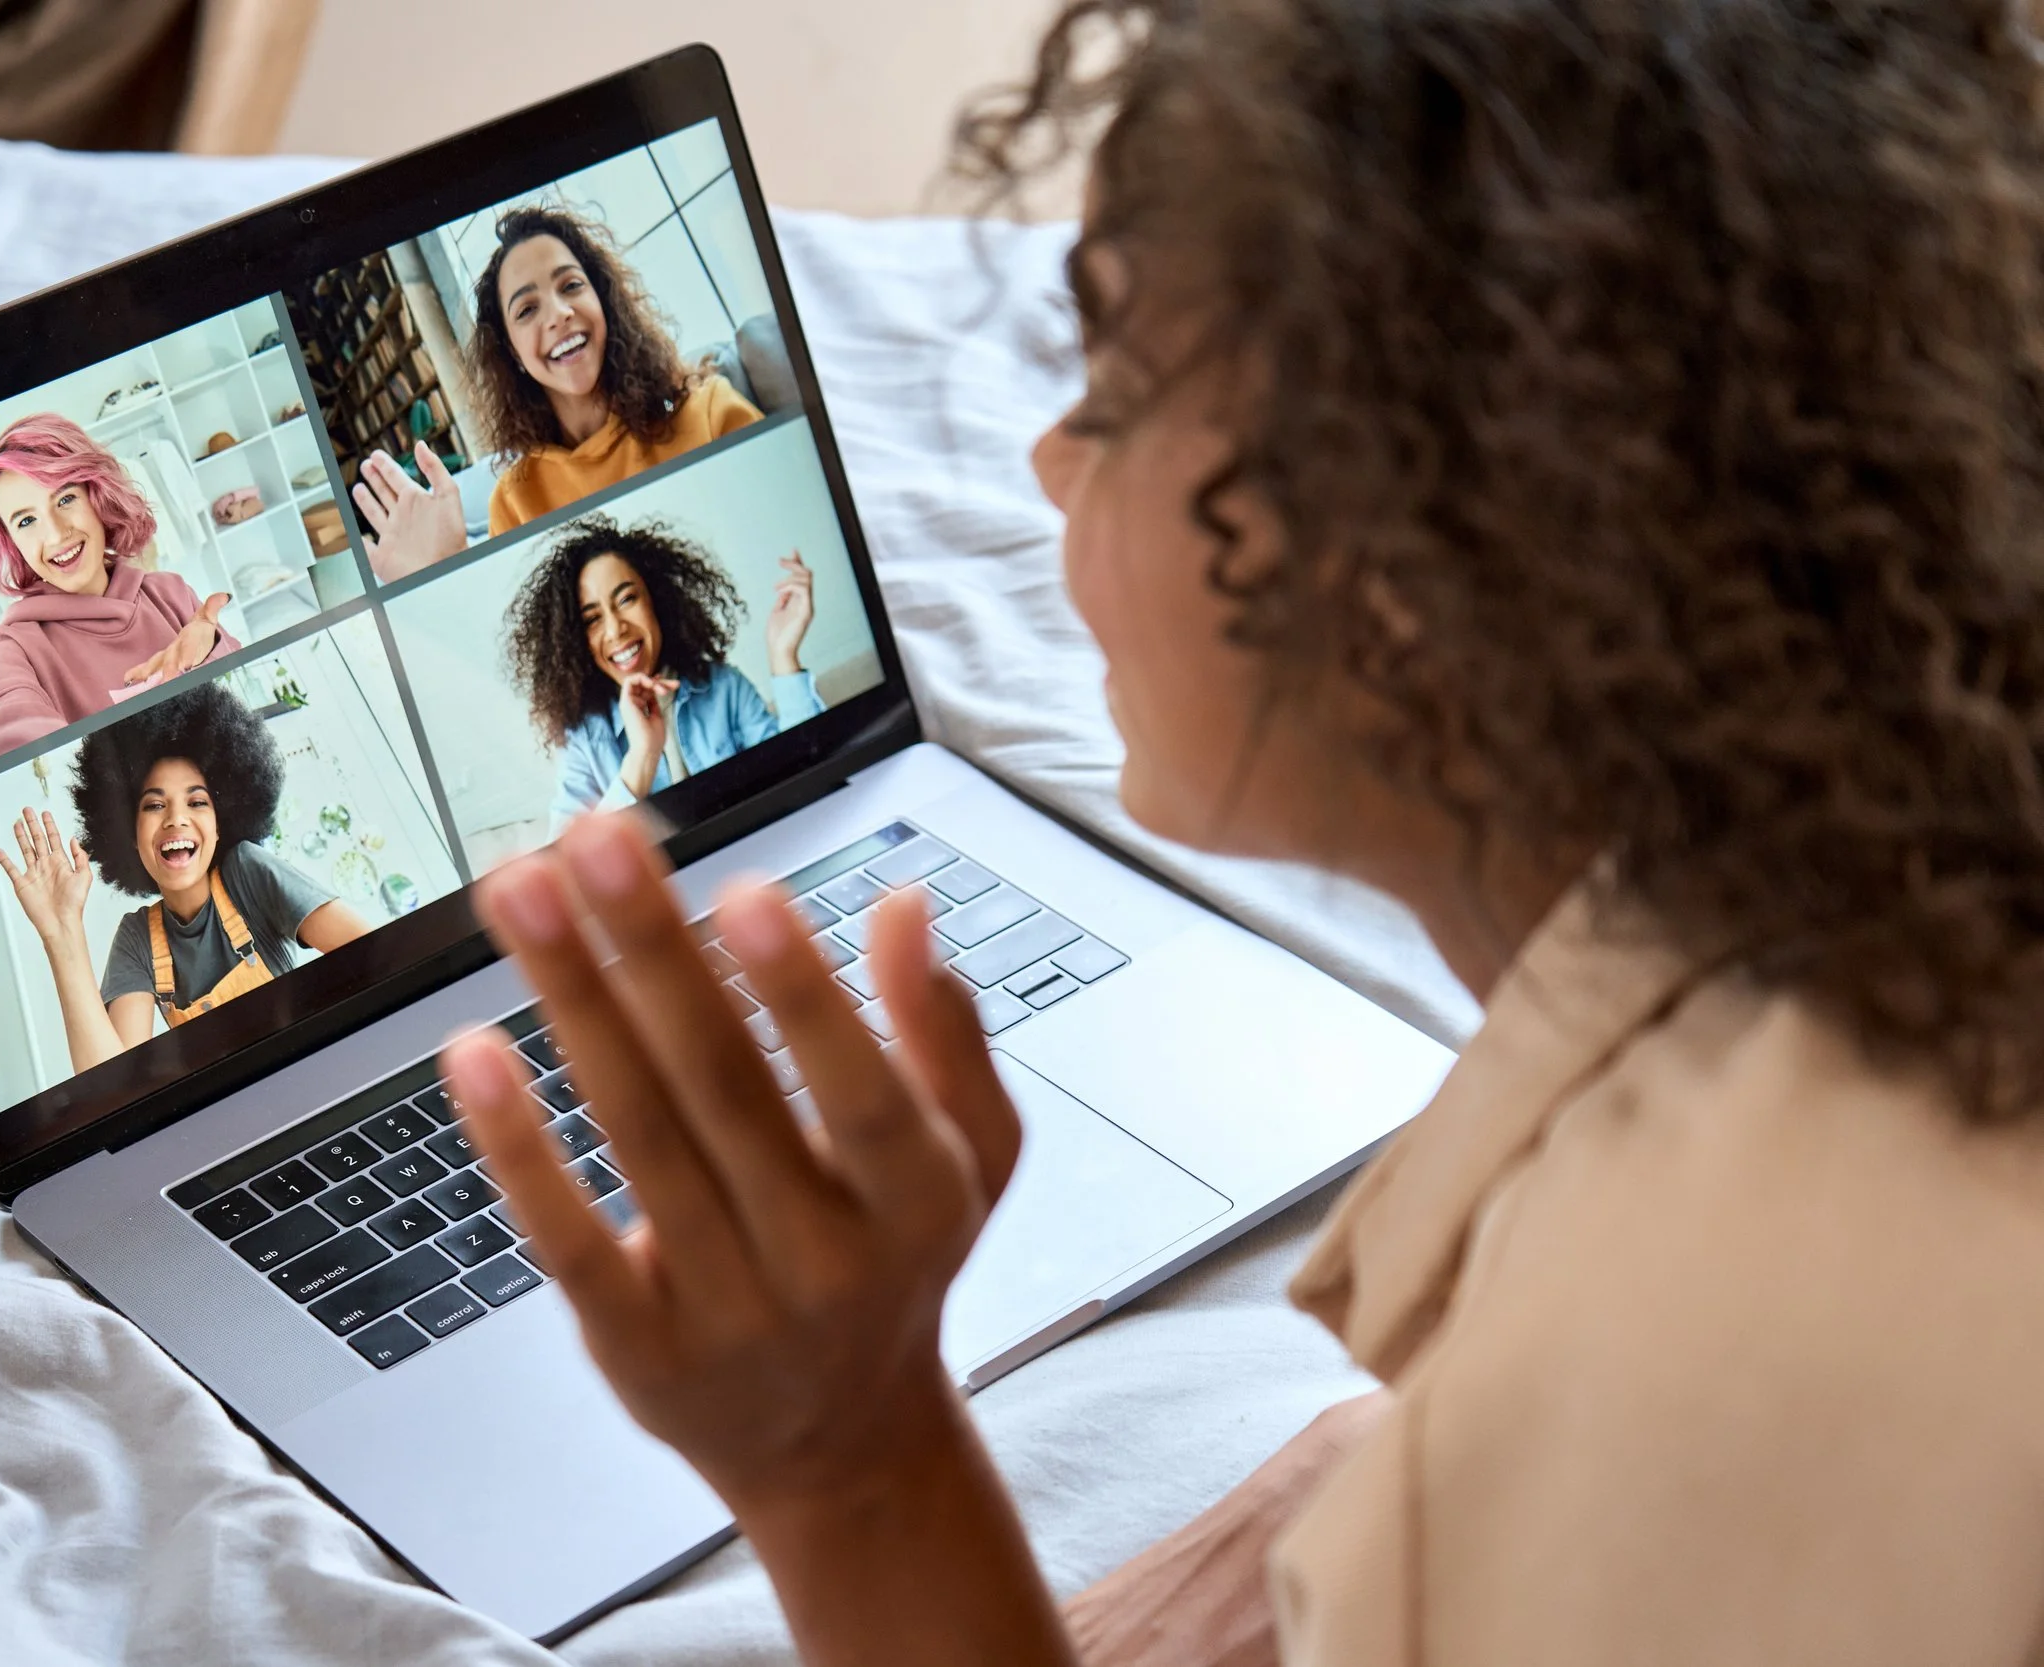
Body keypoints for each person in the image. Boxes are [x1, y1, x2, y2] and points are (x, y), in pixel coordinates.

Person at [432, 0, 2044, 1663]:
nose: (1051, 454)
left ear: (1413, 555)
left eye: (1117, 392)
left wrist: (844, 1456)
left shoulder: (1642, 1395)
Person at [349, 205, 764, 581]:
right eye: (527, 310)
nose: (559, 314)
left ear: (603, 299)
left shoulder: (709, 413)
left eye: (570, 286)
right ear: (512, 352)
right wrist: (451, 572)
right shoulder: (515, 500)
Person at [0, 682, 372, 1075]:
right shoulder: (137, 937)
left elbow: (375, 955)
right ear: (130, 835)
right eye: (155, 805)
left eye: (197, 802)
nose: (176, 817)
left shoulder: (247, 872)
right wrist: (61, 931)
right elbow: (111, 1089)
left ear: (221, 821)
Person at [503, 513, 817, 831]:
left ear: (656, 599)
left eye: (626, 599)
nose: (615, 629)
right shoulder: (584, 742)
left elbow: (805, 777)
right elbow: (570, 868)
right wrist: (642, 755)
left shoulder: (724, 688)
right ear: (574, 641)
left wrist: (783, 654)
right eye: (591, 619)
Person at [0, 414, 238, 766]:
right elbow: (9, 739)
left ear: (97, 496)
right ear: (13, 544)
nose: (57, 534)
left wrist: (212, 653)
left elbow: (243, 710)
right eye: (26, 521)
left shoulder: (170, 593)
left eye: (65, 500)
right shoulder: (10, 652)